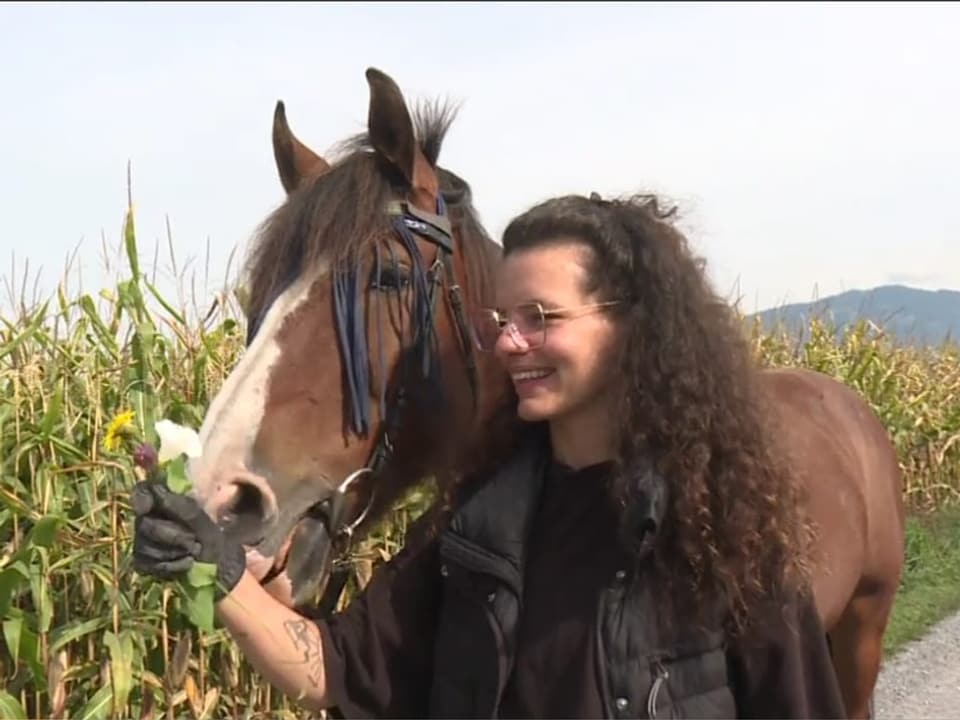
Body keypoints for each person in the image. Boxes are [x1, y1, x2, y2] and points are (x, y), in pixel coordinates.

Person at [131, 192, 847, 718]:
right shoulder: (475, 522)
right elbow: (334, 670)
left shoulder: (720, 533)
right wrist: (216, 567)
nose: (509, 343)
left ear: (632, 329)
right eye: (504, 321)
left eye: (541, 319)